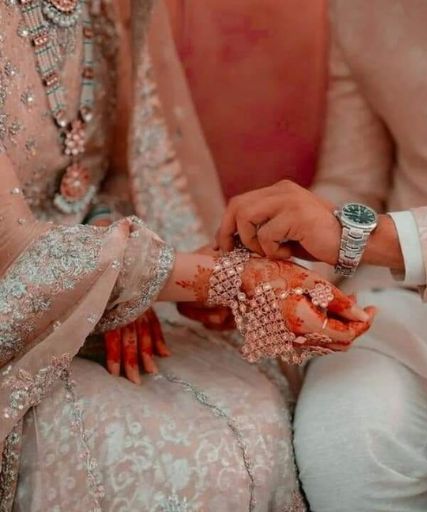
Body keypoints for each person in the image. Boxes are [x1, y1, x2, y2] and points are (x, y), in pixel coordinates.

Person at [0, 1, 373, 510]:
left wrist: (113, 271)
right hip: (15, 308)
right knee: (178, 455)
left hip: (87, 281)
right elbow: (13, 247)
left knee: (252, 412)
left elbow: (113, 180)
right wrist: (225, 278)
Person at [217, 2, 427, 511]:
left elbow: (356, 228)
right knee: (345, 458)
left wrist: (370, 237)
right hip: (405, 308)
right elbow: (354, 182)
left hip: (405, 260)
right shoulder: (357, 8)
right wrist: (276, 267)